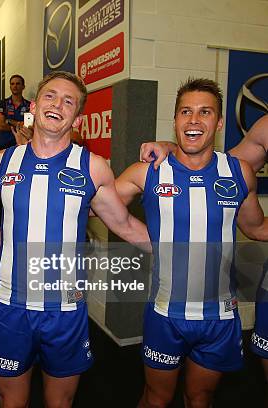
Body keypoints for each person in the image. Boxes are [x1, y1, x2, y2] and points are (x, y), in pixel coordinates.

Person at [0, 71, 150, 407]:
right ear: (35, 105)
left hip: (65, 310)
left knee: (60, 403)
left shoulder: (93, 167)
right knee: (10, 402)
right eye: (51, 96)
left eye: (69, 101)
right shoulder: (3, 162)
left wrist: (187, 251)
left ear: (77, 118)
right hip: (10, 308)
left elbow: (125, 224)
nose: (58, 105)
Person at [118, 78, 267, 408]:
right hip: (165, 314)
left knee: (200, 398)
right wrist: (143, 236)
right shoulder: (149, 172)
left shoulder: (239, 172)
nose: (194, 120)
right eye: (186, 111)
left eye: (205, 112)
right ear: (174, 121)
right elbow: (97, 204)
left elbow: (257, 228)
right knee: (157, 398)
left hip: (220, 316)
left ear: (219, 121)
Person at [0, 74, 32, 150]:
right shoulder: (2, 104)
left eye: (18, 84)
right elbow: (0, 126)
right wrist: (20, 124)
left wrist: (9, 121)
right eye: (12, 84)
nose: (15, 86)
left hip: (23, 144)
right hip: (5, 144)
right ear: (10, 86)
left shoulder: (29, 106)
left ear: (23, 86)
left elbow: (28, 127)